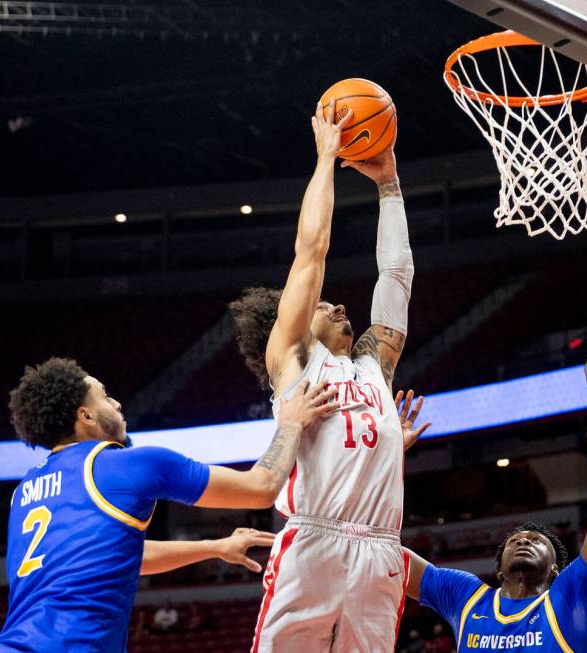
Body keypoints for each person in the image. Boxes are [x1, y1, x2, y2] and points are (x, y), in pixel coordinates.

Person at [230, 99, 428, 652]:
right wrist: (326, 158)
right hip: (313, 541)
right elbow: (312, 249)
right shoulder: (291, 356)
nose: (340, 308)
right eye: (325, 305)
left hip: (381, 550)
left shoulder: (374, 365)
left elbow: (396, 272)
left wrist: (389, 185)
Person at [0, 357, 336, 653]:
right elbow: (261, 487)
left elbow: (119, 554)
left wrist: (213, 547)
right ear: (85, 416)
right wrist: (291, 425)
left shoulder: (25, 490)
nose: (117, 404)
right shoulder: (128, 465)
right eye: (104, 396)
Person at [405, 333, 587, 653]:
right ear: (498, 570)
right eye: (515, 540)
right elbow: (384, 551)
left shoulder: (570, 595)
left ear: (555, 569)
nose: (524, 540)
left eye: (536, 541)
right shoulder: (467, 597)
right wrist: (385, 459)